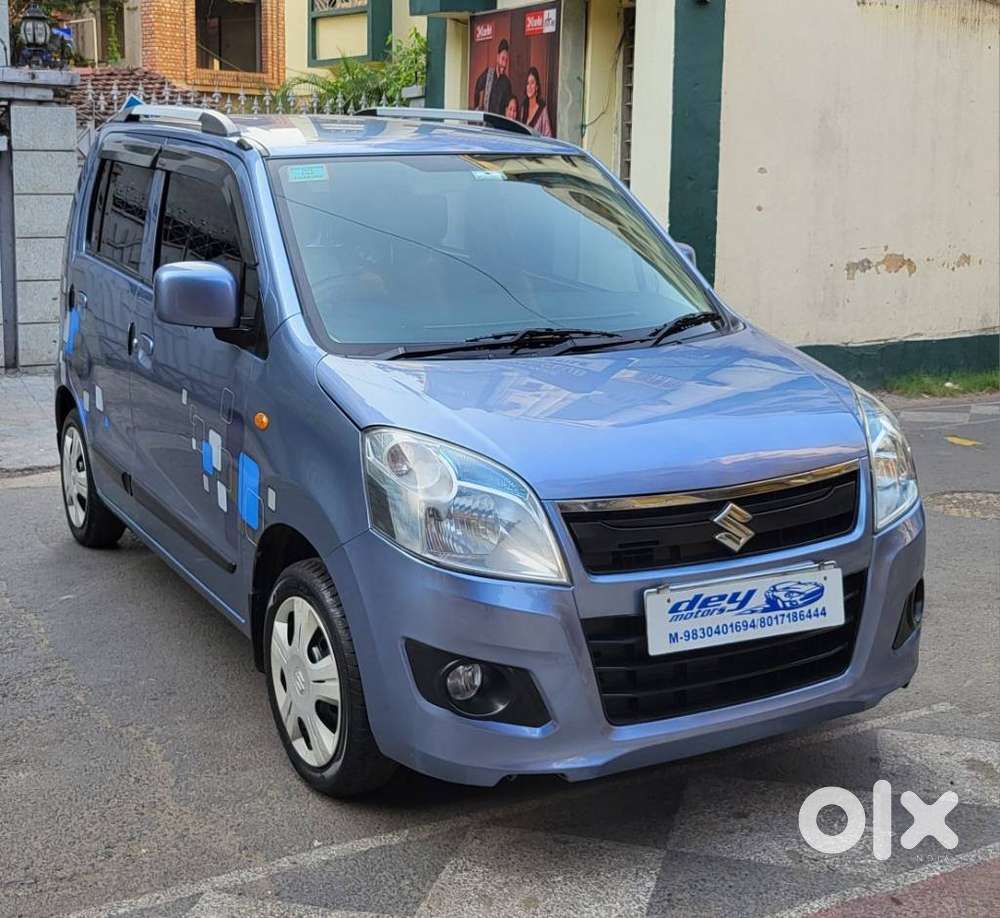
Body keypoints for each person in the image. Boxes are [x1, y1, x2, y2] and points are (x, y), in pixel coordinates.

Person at [473, 39, 514, 115]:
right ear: (498, 57)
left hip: (499, 122)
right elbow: (477, 87)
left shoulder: (507, 83)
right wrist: (477, 107)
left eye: (506, 60)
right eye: (502, 58)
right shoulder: (489, 74)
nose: (504, 63)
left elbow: (508, 105)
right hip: (487, 121)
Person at [522, 67, 553, 137]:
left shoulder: (542, 109)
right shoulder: (524, 107)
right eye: (527, 83)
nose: (529, 86)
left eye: (532, 83)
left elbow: (548, 136)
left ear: (537, 87)